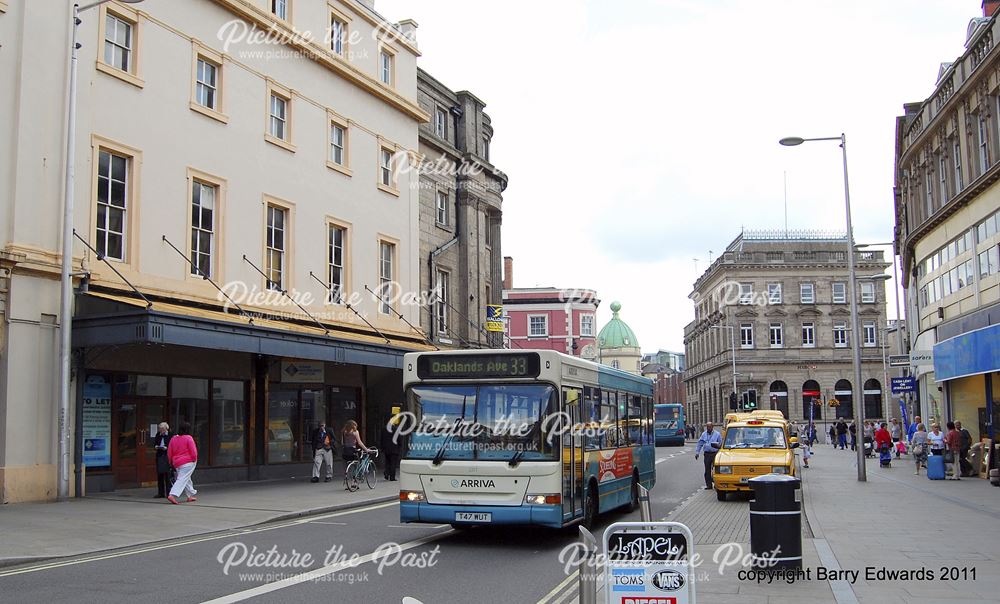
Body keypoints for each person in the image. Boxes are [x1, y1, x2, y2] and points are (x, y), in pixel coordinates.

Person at [166, 422, 198, 504]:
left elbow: (169, 452)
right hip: (188, 461)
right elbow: (193, 451)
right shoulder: (188, 438)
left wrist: (170, 461)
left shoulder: (173, 438)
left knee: (186, 478)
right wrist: (194, 459)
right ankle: (172, 494)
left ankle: (190, 495)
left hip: (176, 462)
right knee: (182, 478)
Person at [341, 420, 371, 486]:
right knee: (356, 465)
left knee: (346, 467)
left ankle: (347, 482)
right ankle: (354, 481)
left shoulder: (344, 432)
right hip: (352, 451)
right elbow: (359, 442)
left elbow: (342, 443)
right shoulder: (355, 432)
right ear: (353, 425)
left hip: (345, 451)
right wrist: (366, 449)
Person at [694, 421, 722, 490]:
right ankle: (709, 485)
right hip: (707, 454)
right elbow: (700, 443)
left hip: (715, 454)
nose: (708, 428)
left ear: (712, 427)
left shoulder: (717, 434)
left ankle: (716, 484)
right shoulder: (704, 434)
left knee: (715, 470)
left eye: (710, 427)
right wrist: (697, 453)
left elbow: (720, 444)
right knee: (707, 470)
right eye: (707, 427)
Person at [152, 422, 173, 498]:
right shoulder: (158, 435)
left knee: (167, 475)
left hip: (167, 456)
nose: (160, 430)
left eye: (162, 429)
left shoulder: (171, 435)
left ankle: (169, 493)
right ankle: (161, 492)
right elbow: (155, 444)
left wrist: (167, 448)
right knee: (160, 474)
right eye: (160, 429)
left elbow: (172, 445)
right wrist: (156, 447)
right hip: (160, 455)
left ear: (166, 429)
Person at [380, 416, 401, 481]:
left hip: (386, 449)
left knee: (387, 462)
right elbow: (399, 439)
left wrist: (382, 447)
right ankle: (392, 477)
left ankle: (386, 473)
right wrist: (400, 446)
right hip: (394, 449)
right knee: (393, 463)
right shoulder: (396, 429)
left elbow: (381, 439)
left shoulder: (384, 429)